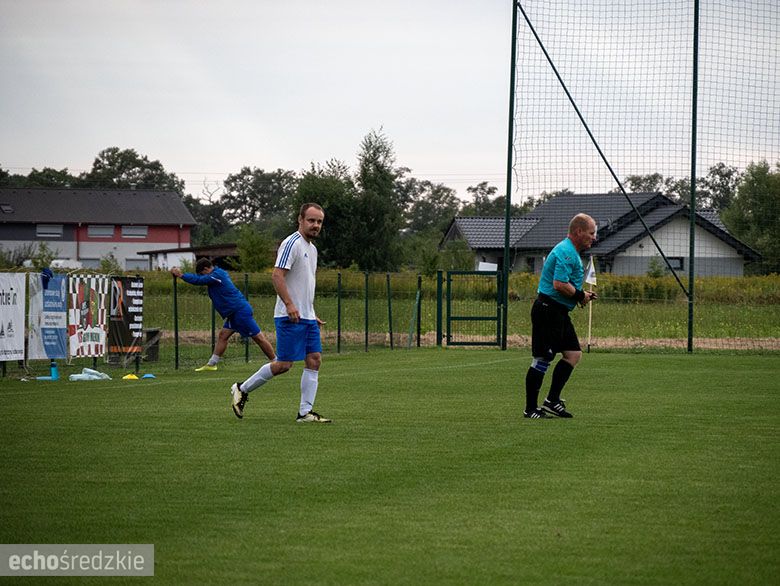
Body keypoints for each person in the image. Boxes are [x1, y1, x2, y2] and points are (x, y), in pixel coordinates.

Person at [230, 203, 331, 423]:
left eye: (319, 222)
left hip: (307, 317)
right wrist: (290, 305)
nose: (315, 225)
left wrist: (310, 312)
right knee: (284, 365)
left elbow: (303, 284)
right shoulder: (291, 243)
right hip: (289, 316)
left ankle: (305, 413)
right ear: (300, 220)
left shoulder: (312, 249)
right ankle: (241, 388)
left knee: (314, 360)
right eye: (311, 220)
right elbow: (277, 276)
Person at [524, 213, 598, 419]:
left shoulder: (572, 252)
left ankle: (551, 400)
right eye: (591, 233)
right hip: (548, 310)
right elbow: (559, 284)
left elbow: (566, 287)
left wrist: (581, 296)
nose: (594, 237)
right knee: (543, 358)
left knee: (573, 354)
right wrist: (580, 294)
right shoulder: (566, 251)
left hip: (559, 312)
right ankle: (530, 409)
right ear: (579, 231)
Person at [170, 259, 276, 370]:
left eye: (202, 273)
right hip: (233, 313)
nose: (202, 276)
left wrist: (181, 275)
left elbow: (199, 280)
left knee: (258, 338)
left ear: (206, 269)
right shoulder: (217, 274)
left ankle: (275, 361)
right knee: (223, 336)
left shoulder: (217, 275)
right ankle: (211, 364)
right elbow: (201, 279)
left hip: (239, 311)